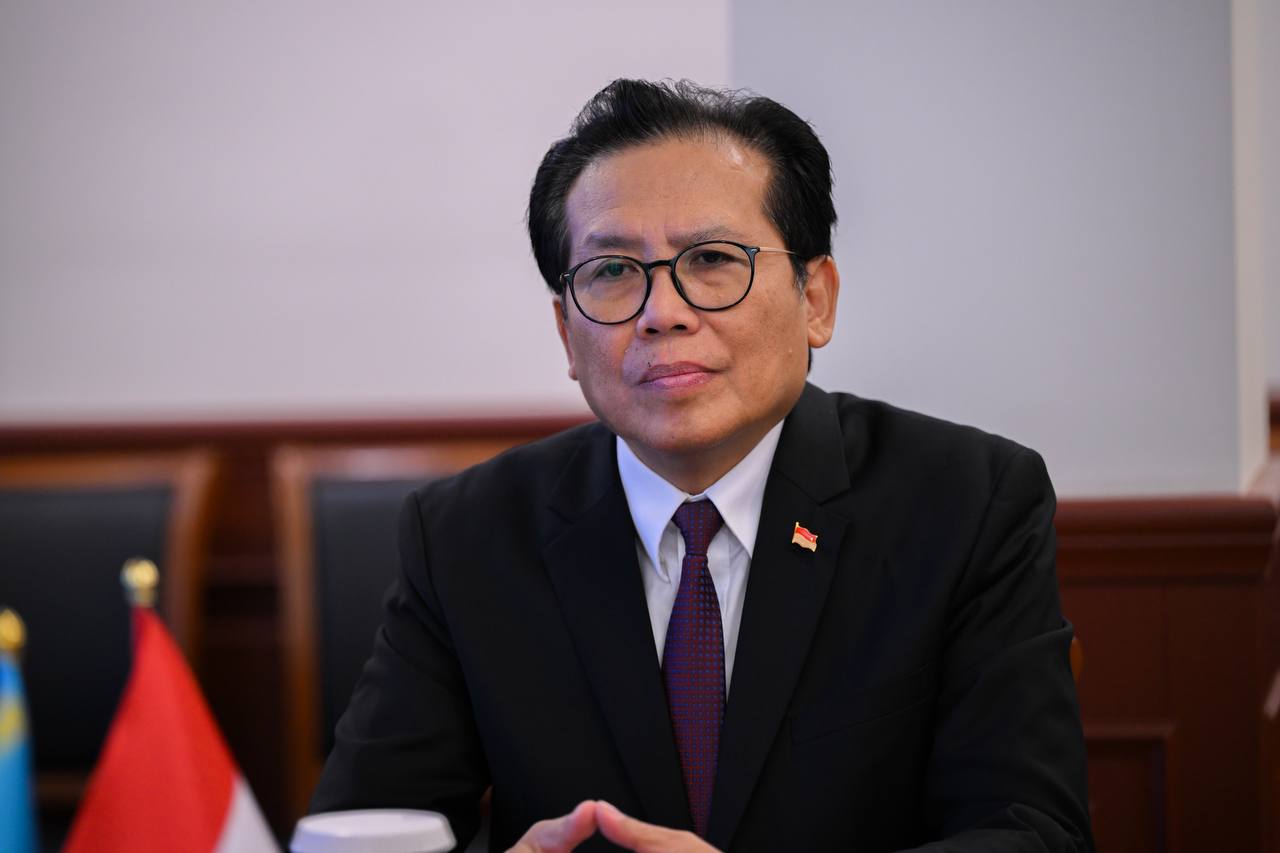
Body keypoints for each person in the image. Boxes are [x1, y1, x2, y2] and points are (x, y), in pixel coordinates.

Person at [311, 79, 1093, 853]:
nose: (663, 312)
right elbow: (361, 828)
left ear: (815, 298)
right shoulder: (466, 536)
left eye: (714, 258)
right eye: (612, 270)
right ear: (566, 334)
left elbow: (1033, 833)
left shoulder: (965, 504)